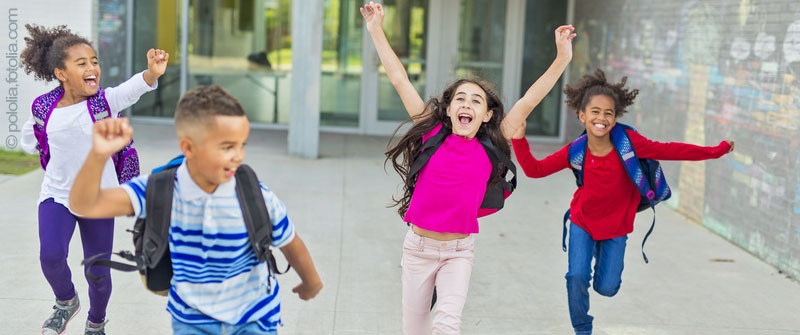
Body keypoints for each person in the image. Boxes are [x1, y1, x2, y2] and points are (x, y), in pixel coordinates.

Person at [360, 2, 575, 333]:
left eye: (476, 101)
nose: (467, 104)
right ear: (448, 110)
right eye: (460, 98)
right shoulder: (431, 134)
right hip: (418, 248)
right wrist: (376, 30)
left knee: (448, 324)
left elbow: (530, 99)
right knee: (414, 328)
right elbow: (400, 79)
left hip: (459, 251)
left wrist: (562, 58)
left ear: (487, 115)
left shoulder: (490, 148)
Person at [68, 85, 322, 334]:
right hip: (192, 320)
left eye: (242, 145)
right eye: (227, 147)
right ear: (188, 147)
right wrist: (98, 155)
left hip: (254, 317)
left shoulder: (255, 195)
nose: (238, 156)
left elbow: (290, 243)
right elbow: (84, 205)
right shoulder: (159, 190)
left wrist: (311, 282)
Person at [510, 69, 735, 335]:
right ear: (582, 115)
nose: (601, 118)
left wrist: (716, 151)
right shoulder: (576, 151)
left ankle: (600, 254)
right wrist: (519, 139)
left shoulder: (630, 144)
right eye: (595, 111)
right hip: (583, 221)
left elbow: (670, 149)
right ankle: (582, 328)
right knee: (576, 276)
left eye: (608, 113)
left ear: (615, 117)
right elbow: (535, 170)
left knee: (607, 288)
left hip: (616, 226)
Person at [19, 23, 167, 335]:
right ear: (61, 73)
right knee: (51, 256)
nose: (92, 68)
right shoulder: (43, 108)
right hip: (58, 195)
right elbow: (31, 141)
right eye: (82, 63)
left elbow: (130, 88)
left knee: (97, 272)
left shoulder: (103, 102)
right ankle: (66, 301)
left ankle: (96, 322)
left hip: (99, 198)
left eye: (95, 62)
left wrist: (151, 73)